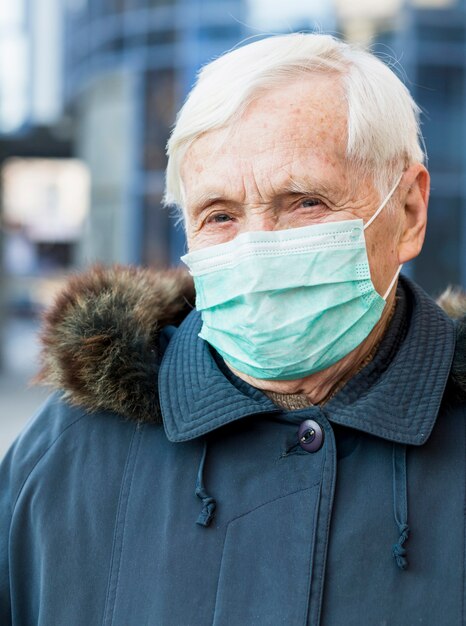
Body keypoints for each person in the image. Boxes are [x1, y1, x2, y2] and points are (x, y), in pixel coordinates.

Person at [1, 33, 465, 625]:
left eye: (304, 202)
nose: (256, 249)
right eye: (219, 215)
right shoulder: (68, 452)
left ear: (408, 214)